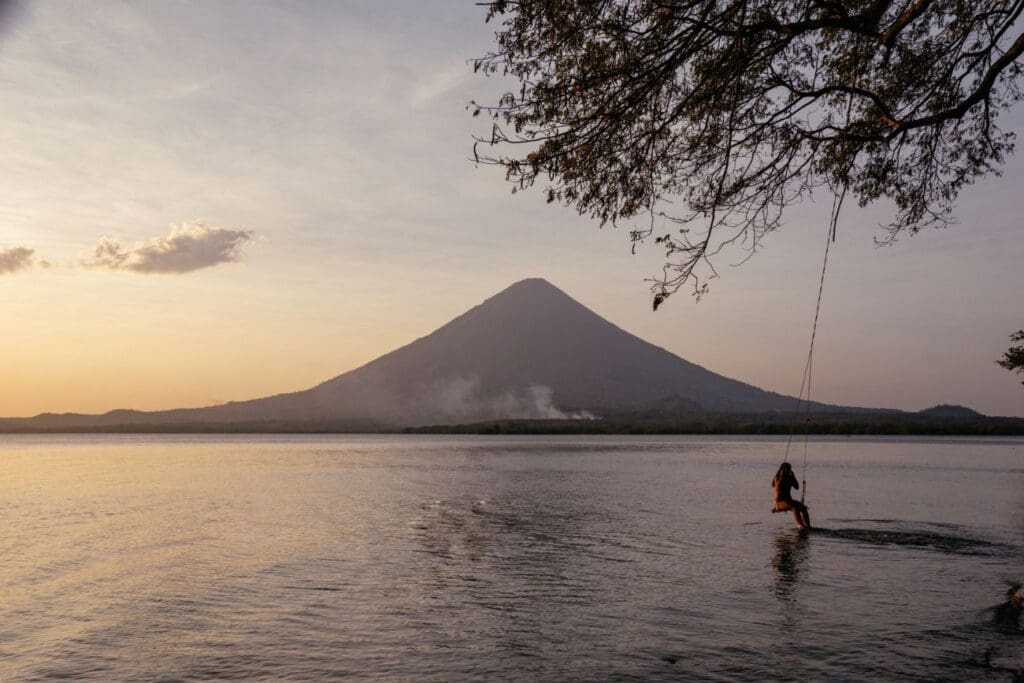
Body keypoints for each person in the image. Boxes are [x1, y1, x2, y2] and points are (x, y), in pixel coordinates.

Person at [772, 462, 811, 529]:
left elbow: (797, 487)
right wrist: (781, 476)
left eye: (789, 469)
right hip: (779, 502)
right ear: (782, 469)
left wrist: (793, 476)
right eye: (787, 469)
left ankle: (808, 526)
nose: (788, 471)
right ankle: (801, 526)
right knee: (794, 508)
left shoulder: (789, 477)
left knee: (804, 508)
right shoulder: (778, 477)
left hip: (789, 501)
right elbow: (778, 486)